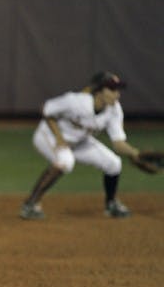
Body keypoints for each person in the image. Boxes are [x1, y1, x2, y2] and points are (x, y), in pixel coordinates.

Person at [19, 71, 141, 220]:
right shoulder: (75, 101)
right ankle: (30, 204)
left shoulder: (114, 110)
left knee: (113, 163)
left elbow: (118, 143)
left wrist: (135, 153)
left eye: (117, 90)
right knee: (66, 162)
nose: (117, 94)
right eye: (112, 89)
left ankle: (111, 204)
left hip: (79, 142)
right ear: (99, 91)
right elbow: (46, 109)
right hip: (48, 136)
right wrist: (58, 137)